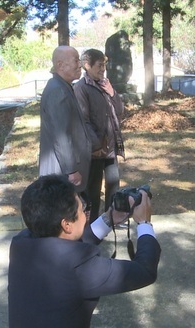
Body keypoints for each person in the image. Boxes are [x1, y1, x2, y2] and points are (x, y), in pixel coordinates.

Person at [8, 174, 160, 328]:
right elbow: (145, 271)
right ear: (66, 224)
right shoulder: (79, 268)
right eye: (83, 209)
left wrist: (108, 219)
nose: (86, 213)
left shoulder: (20, 243)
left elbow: (65, 246)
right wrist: (144, 223)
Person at [74, 49, 126, 223]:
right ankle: (92, 224)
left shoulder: (105, 84)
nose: (103, 68)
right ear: (87, 65)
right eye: (99, 65)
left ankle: (112, 219)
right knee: (93, 191)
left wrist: (112, 92)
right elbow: (83, 120)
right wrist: (95, 147)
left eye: (104, 65)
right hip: (94, 151)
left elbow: (119, 111)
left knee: (113, 185)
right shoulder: (81, 88)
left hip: (110, 147)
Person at [39, 46, 91, 193]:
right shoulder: (58, 90)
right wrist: (71, 170)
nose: (79, 64)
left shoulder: (62, 86)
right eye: (76, 60)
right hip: (62, 171)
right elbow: (61, 135)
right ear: (60, 65)